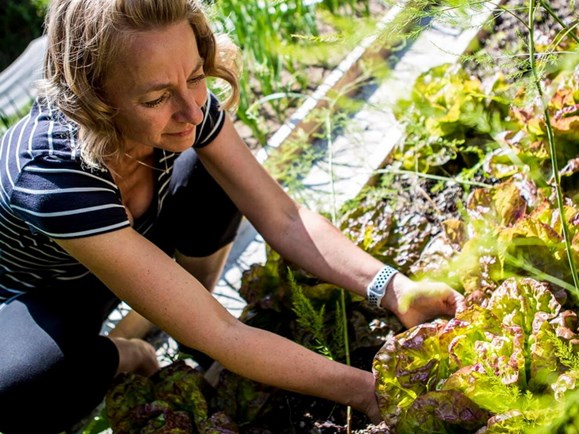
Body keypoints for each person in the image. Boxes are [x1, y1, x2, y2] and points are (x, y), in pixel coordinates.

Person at [0, 1, 465, 432]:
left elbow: (283, 217)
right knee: (22, 384)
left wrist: (396, 290)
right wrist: (366, 392)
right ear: (95, 99)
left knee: (212, 174)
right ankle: (131, 352)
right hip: (51, 292)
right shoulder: (50, 175)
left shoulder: (183, 101)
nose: (191, 110)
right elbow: (224, 333)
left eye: (195, 76)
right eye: (156, 98)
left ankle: (189, 316)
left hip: (135, 236)